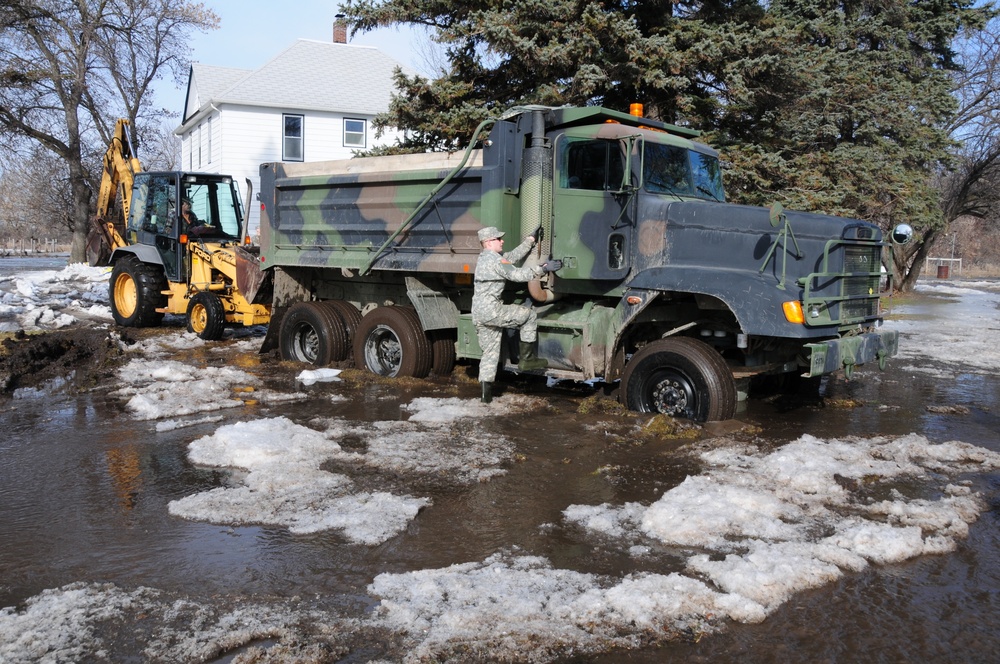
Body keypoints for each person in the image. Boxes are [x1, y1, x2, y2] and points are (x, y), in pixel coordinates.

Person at [473, 225, 562, 403]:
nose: (502, 241)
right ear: (489, 242)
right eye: (498, 239)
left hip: (479, 313)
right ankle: (527, 359)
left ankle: (485, 397)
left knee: (489, 353)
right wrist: (543, 269)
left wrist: (530, 240)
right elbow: (518, 275)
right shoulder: (496, 261)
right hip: (493, 311)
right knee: (528, 315)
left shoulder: (485, 259)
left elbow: (511, 258)